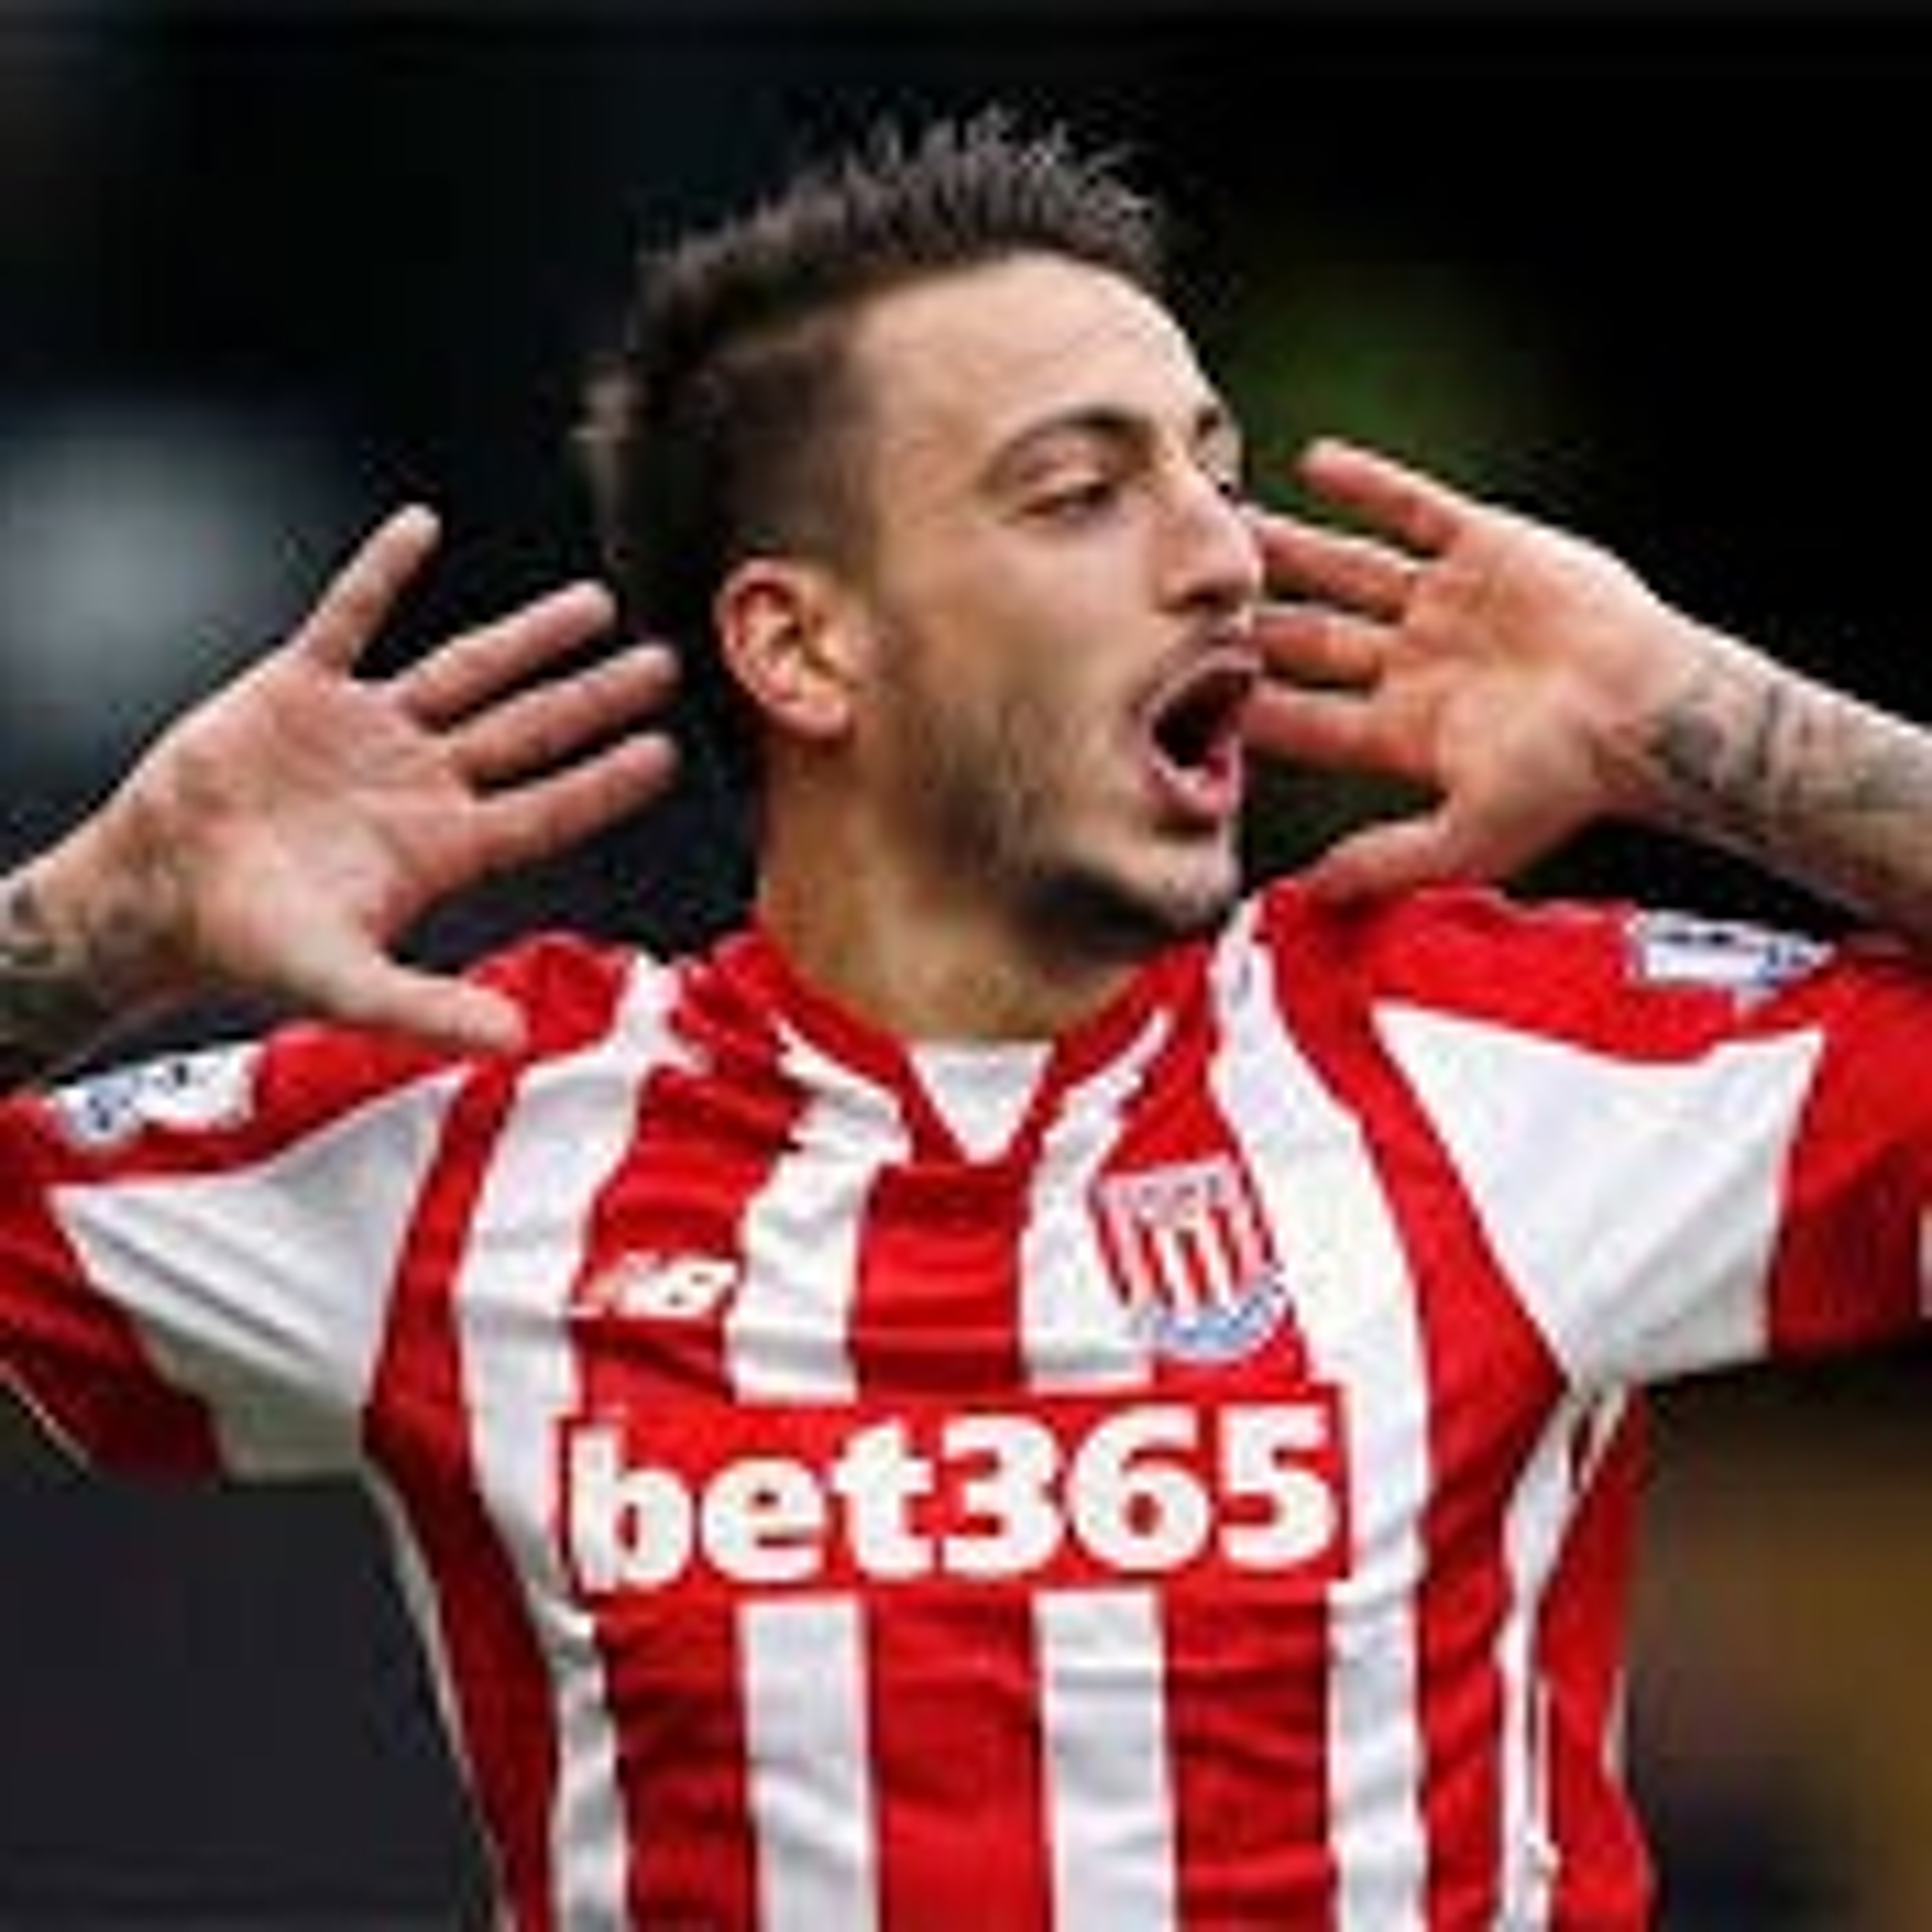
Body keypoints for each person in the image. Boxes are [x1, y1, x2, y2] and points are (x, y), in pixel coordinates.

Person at [2, 108, 1930, 1931]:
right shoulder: (477, 1136)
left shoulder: (1495, 1068)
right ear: (803, 645)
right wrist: (102, 917)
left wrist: (1701, 722)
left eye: (1215, 474)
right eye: (1081, 495)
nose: (1220, 555)